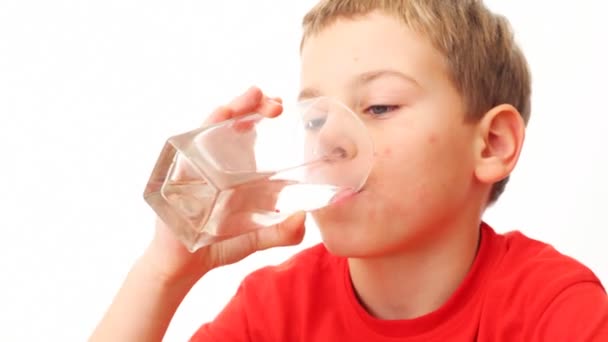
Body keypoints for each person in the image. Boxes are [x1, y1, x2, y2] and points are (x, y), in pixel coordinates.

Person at [91, 0, 608, 341]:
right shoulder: (275, 313)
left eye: (379, 107)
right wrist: (164, 272)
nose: (329, 140)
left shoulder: (552, 309)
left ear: (492, 144)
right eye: (316, 116)